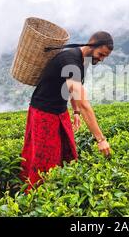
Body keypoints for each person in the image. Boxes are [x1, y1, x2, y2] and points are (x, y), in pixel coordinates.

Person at [19, 31, 113, 191]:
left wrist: (75, 112)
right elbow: (84, 102)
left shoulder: (83, 60)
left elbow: (70, 90)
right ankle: (34, 195)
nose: (101, 59)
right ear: (92, 46)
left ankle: (59, 189)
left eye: (105, 56)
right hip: (44, 112)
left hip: (60, 111)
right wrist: (100, 139)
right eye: (101, 54)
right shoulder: (69, 61)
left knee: (66, 151)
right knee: (45, 160)